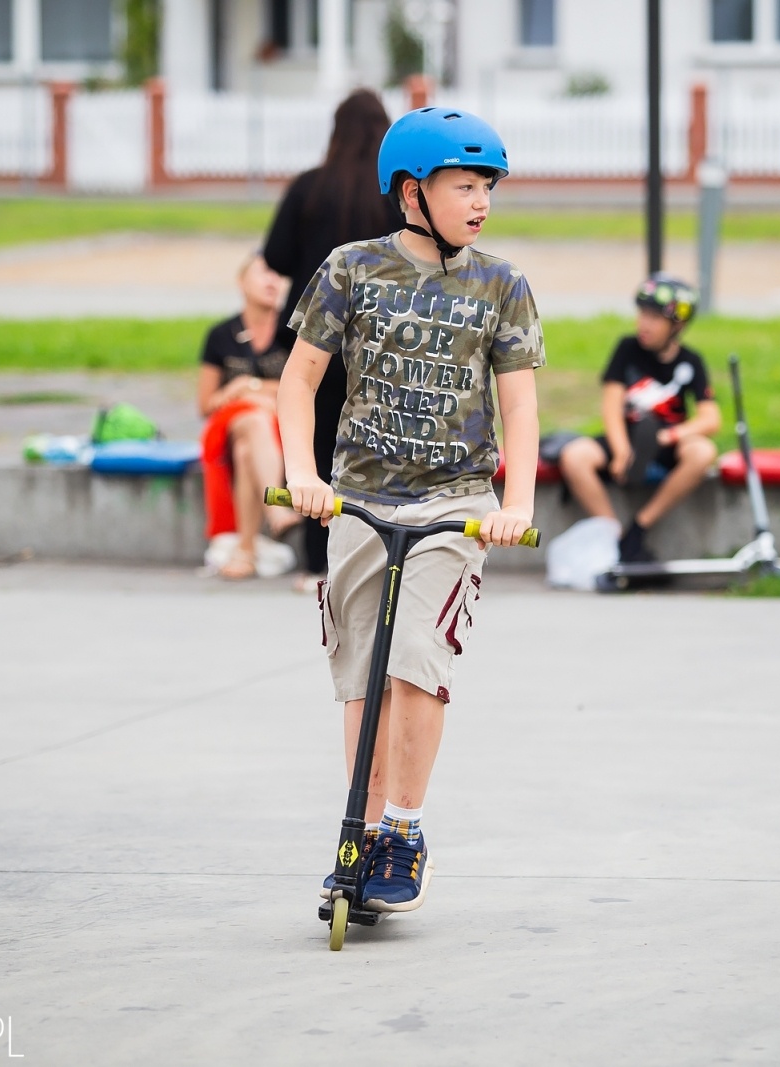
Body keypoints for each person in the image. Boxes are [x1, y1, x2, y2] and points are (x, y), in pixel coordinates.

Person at [276, 107, 544, 913]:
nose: (481, 201)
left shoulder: (501, 285)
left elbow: (521, 407)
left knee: (417, 659)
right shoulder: (350, 270)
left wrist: (515, 502)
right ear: (410, 192)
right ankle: (359, 827)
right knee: (360, 675)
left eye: (486, 186)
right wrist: (303, 475)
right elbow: (297, 382)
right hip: (358, 499)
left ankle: (405, 829)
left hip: (453, 507)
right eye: (464, 185)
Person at [262, 89, 403, 583]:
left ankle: (316, 562)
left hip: (313, 336)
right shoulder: (394, 195)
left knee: (315, 445)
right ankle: (380, 555)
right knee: (378, 444)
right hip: (380, 338)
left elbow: (276, 256)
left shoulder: (308, 187)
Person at [557, 274, 721, 563]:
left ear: (678, 324)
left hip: (665, 441)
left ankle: (639, 527)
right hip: (626, 434)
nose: (644, 323)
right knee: (575, 456)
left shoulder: (690, 362)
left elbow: (711, 418)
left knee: (703, 451)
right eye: (642, 313)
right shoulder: (627, 349)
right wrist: (621, 451)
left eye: (655, 318)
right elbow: (611, 405)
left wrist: (669, 436)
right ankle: (616, 537)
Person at [197, 253, 302, 580]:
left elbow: (304, 385)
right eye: (263, 273)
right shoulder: (221, 335)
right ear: (242, 282)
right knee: (254, 421)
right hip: (230, 425)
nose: (272, 281)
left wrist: (250, 386)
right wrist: (243, 394)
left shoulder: (293, 332)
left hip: (272, 431)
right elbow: (206, 404)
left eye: (277, 274)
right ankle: (275, 510)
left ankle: (245, 551)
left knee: (248, 450)